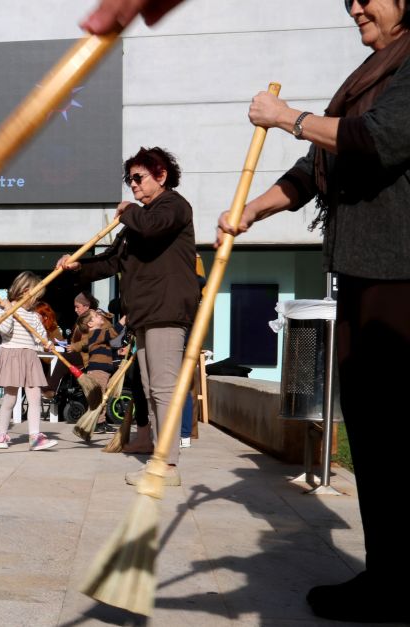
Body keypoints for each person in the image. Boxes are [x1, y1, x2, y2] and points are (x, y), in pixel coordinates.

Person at [215, 2, 410, 620]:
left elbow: (378, 140)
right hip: (362, 269)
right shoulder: (368, 77)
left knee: (395, 427)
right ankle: (390, 576)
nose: (355, 7)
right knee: (375, 429)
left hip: (401, 274)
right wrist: (252, 211)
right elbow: (316, 168)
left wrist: (288, 117)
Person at [57, 146, 197, 486]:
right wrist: (77, 266)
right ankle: (158, 458)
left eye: (138, 177)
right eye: (129, 179)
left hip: (166, 309)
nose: (132, 184)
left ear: (161, 175)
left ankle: (168, 465)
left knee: (163, 388)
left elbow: (152, 227)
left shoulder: (173, 206)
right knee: (150, 389)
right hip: (145, 313)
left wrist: (130, 212)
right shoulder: (138, 219)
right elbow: (111, 260)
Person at [0, 272, 57, 451]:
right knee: (10, 398)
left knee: (35, 397)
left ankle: (35, 437)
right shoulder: (5, 308)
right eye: (36, 296)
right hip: (12, 354)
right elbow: (4, 330)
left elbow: (39, 337)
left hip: (30, 357)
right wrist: (8, 311)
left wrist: (47, 344)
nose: (36, 301)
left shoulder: (33, 315)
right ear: (26, 291)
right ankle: (1, 435)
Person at [65, 309, 121, 433]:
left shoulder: (97, 335)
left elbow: (93, 344)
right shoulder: (96, 333)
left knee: (102, 396)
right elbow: (114, 332)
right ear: (90, 324)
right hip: (98, 371)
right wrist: (125, 319)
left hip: (102, 370)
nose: (99, 316)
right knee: (99, 397)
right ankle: (97, 423)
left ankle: (100, 422)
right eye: (96, 315)